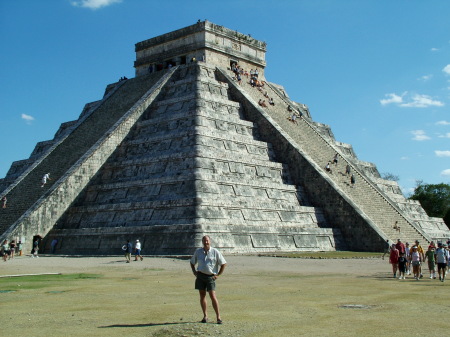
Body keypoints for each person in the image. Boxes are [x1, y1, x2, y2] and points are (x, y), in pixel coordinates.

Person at [190, 235, 227, 325]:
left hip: (210, 277)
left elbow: (223, 264)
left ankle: (218, 317)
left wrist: (218, 274)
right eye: (204, 241)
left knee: (212, 296)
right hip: (200, 276)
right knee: (202, 295)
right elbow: (192, 262)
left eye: (207, 240)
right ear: (202, 242)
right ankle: (205, 316)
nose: (206, 242)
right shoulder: (198, 252)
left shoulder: (215, 252)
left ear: (210, 241)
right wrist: (194, 271)